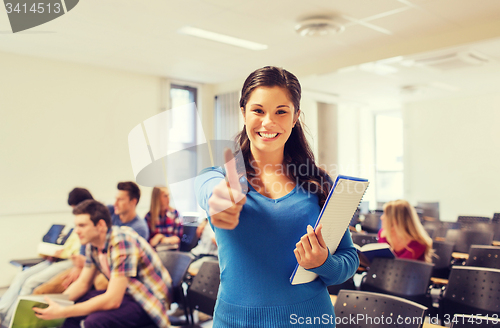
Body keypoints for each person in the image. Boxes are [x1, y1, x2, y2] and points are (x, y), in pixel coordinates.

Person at [195, 66, 359, 327]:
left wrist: (324, 263)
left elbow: (349, 258)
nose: (268, 122)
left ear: (295, 117)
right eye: (258, 111)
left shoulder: (319, 182)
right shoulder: (218, 179)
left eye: (281, 111)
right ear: (243, 114)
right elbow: (207, 191)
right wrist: (219, 198)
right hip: (236, 322)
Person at [34, 199, 172, 328]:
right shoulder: (93, 244)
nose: (76, 230)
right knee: (73, 307)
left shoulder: (122, 242)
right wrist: (57, 304)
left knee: (94, 322)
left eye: (82, 225)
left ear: (100, 225)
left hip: (147, 300)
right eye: (76, 225)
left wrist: (64, 311)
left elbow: (113, 300)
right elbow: (83, 283)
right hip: (127, 293)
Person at [33, 181, 149, 294]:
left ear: (133, 202)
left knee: (100, 283)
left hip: (112, 269)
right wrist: (81, 262)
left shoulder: (136, 229)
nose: (115, 203)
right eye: (115, 199)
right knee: (42, 290)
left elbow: (124, 262)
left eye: (120, 199)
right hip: (92, 263)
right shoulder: (110, 211)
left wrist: (86, 263)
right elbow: (89, 238)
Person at [0, 188, 92, 328]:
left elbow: (84, 252)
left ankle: (12, 322)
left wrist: (79, 263)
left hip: (70, 261)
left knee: (30, 282)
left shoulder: (92, 221)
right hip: (60, 257)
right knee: (21, 277)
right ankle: (2, 312)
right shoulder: (79, 222)